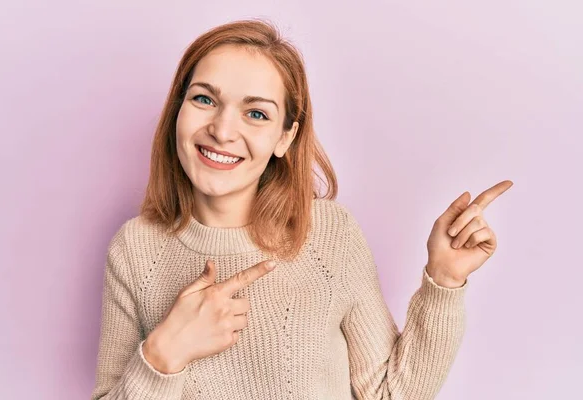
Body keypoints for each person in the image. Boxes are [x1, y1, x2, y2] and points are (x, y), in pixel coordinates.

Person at [90, 18, 512, 400]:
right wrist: (167, 351)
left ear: (284, 138)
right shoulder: (135, 248)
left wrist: (444, 280)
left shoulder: (330, 233)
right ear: (178, 110)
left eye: (256, 113)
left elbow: (389, 395)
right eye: (204, 99)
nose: (221, 130)